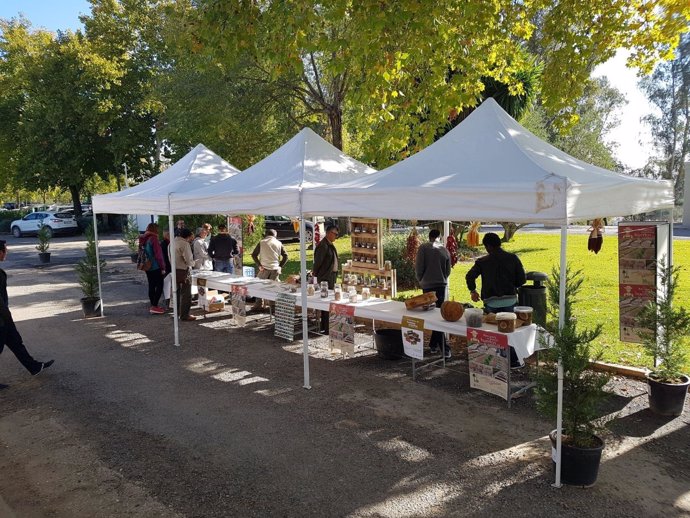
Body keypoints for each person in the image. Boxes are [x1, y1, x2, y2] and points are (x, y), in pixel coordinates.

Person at [465, 232, 526, 367]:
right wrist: (512, 285)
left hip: (491, 302)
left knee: (491, 332)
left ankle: (495, 360)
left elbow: (469, 276)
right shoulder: (513, 258)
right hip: (510, 300)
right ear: (499, 243)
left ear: (487, 247)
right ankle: (514, 360)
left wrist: (473, 290)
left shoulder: (482, 262)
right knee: (510, 331)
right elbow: (522, 280)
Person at [0, 240, 54, 381]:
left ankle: (34, 367)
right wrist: (6, 316)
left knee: (16, 342)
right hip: (2, 319)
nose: (7, 252)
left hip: (5, 318)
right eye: (5, 250)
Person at [415, 229, 452, 358]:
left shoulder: (423, 248)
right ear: (439, 237)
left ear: (429, 236)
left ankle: (443, 347)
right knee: (437, 314)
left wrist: (421, 279)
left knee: (432, 315)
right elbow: (448, 270)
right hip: (441, 285)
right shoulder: (444, 249)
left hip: (428, 285)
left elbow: (419, 266)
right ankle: (434, 344)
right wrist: (441, 278)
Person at [250, 229, 289, 310]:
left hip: (264, 268)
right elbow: (286, 256)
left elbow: (254, 255)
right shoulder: (279, 243)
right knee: (273, 288)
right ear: (275, 235)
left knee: (258, 286)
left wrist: (259, 265)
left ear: (266, 235)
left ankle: (258, 304)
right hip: (275, 269)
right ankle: (273, 306)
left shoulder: (262, 242)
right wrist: (280, 266)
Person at [312, 224, 339, 333]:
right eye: (335, 234)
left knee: (327, 302)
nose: (336, 236)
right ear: (328, 233)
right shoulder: (323, 245)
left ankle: (326, 326)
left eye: (337, 234)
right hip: (325, 278)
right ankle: (326, 327)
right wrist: (316, 275)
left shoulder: (329, 244)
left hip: (330, 276)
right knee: (326, 302)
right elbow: (317, 262)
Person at [139, 223, 166, 314]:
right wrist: (163, 267)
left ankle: (153, 305)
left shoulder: (143, 238)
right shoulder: (153, 239)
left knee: (151, 285)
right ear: (155, 229)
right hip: (155, 266)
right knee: (160, 285)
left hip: (147, 265)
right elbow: (159, 255)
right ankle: (154, 306)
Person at [173, 228, 196, 321]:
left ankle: (177, 313)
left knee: (176, 292)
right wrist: (193, 263)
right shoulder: (185, 244)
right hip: (183, 270)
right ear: (188, 236)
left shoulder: (172, 242)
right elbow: (189, 260)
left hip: (174, 270)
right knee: (186, 294)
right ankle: (184, 315)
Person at [160, 230, 172, 310]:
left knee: (168, 285)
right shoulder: (165, 244)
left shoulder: (165, 243)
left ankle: (169, 303)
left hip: (168, 267)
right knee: (167, 285)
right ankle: (168, 303)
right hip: (167, 267)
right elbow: (164, 257)